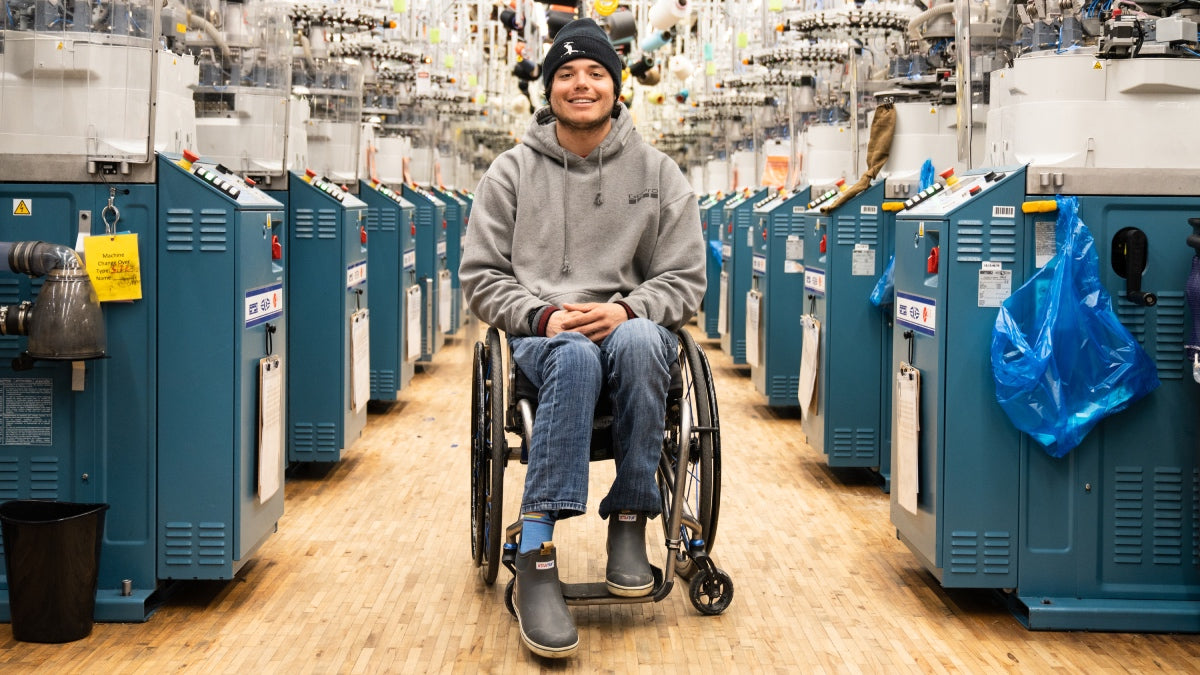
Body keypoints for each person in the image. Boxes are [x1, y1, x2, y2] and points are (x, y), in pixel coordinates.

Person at [459, 18, 705, 659]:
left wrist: (630, 309)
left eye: (595, 72)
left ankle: (631, 516)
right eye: (565, 73)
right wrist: (542, 317)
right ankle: (536, 547)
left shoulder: (659, 174)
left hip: (630, 331)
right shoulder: (509, 174)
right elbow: (482, 278)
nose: (581, 83)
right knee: (572, 353)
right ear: (548, 89)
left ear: (617, 86)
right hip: (545, 334)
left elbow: (684, 278)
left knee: (645, 342)